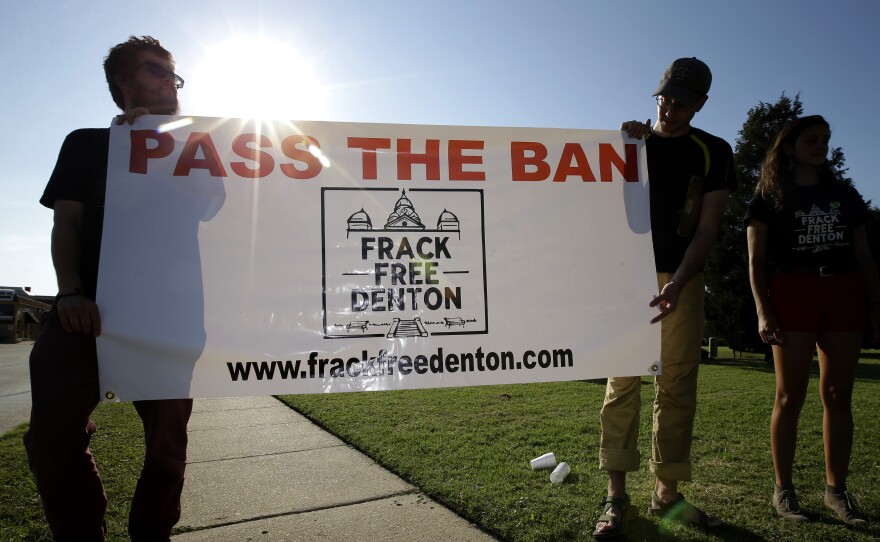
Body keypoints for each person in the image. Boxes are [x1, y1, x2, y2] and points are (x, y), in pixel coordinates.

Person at [24, 36, 193, 541]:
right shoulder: (87, 143)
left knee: (167, 444)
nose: (169, 80)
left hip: (167, 320)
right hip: (84, 314)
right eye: (153, 70)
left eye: (173, 74)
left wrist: (157, 145)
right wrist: (70, 291)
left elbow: (217, 214)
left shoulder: (199, 154)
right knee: (51, 439)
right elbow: (68, 224)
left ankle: (152, 533)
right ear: (120, 83)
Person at [593, 57, 736, 539]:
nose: (669, 109)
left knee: (676, 388)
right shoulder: (631, 144)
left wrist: (678, 280)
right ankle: (615, 498)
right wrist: (622, 143)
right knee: (622, 383)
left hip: (683, 278)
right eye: (664, 98)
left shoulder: (713, 151)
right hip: (626, 279)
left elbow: (709, 228)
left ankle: (667, 495)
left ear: (700, 104)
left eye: (681, 102)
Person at [745, 115, 877, 525]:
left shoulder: (845, 195)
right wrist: (763, 309)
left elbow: (865, 258)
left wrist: (876, 306)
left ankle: (836, 491)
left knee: (838, 396)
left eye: (825, 140)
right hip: (792, 293)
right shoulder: (769, 195)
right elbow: (755, 261)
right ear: (788, 147)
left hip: (843, 293)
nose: (820, 146)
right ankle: (783, 491)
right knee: (790, 396)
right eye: (810, 140)